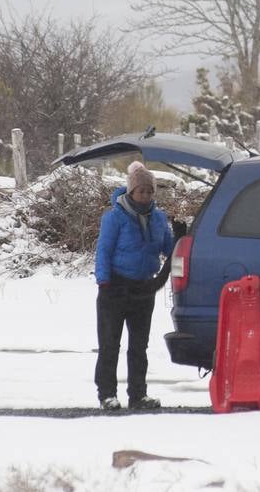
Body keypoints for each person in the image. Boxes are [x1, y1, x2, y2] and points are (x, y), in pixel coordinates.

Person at [94, 160, 176, 411]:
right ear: (131, 191)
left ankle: (138, 394)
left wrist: (181, 239)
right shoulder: (115, 217)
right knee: (110, 343)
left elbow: (168, 248)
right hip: (115, 287)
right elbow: (104, 251)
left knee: (139, 345)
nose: (146, 196)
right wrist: (103, 280)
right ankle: (107, 393)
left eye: (150, 191)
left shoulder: (158, 218)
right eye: (141, 191)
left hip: (144, 288)